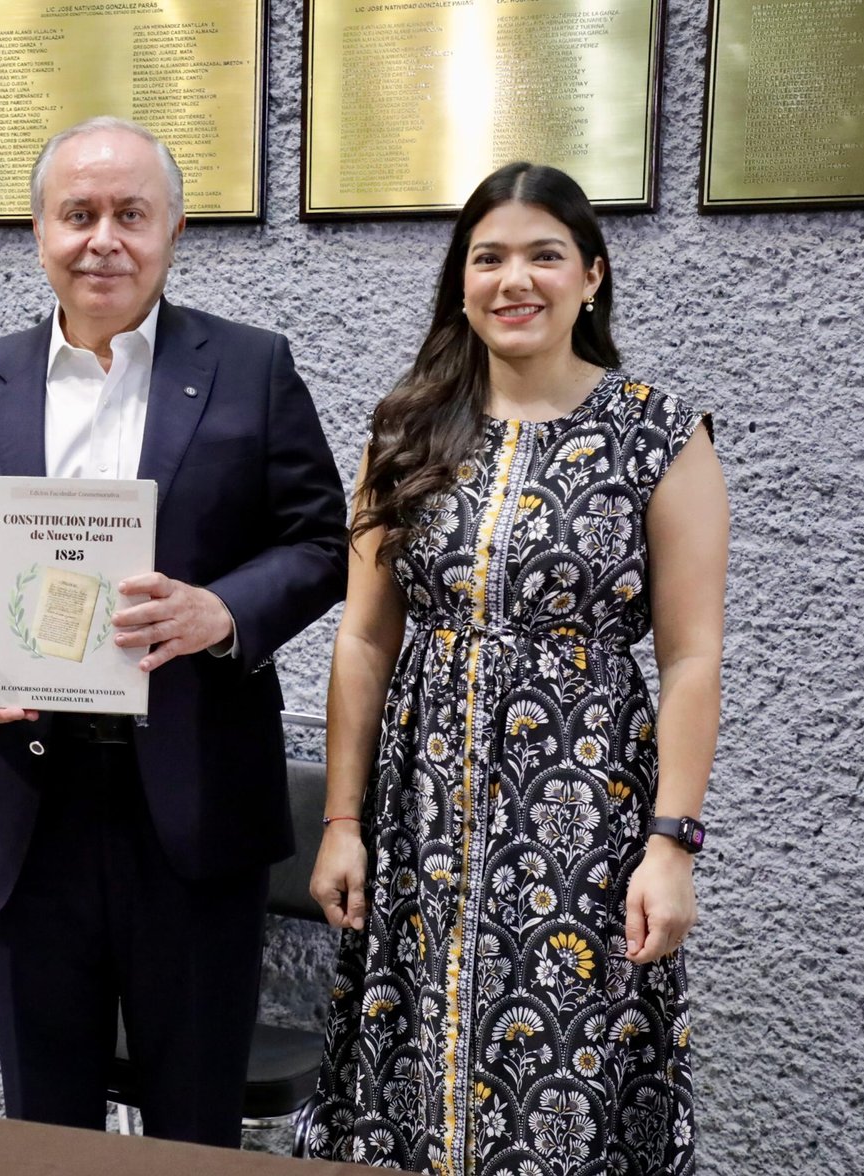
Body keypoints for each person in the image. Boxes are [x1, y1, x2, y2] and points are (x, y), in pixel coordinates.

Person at [0, 116, 346, 1146]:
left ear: (173, 229)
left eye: (130, 214)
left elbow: (322, 541)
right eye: (78, 214)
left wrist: (224, 612)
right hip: (26, 807)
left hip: (193, 806)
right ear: (39, 232)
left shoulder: (251, 368)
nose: (103, 239)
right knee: (43, 1128)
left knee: (192, 1127)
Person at [297, 161, 727, 1173]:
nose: (514, 280)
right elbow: (364, 638)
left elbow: (691, 656)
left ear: (591, 275)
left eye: (544, 255)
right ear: (462, 283)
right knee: (410, 1068)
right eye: (488, 258)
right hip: (420, 822)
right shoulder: (406, 430)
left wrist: (672, 845)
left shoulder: (659, 436)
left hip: (583, 825)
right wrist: (343, 822)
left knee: (564, 1070)